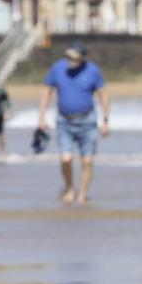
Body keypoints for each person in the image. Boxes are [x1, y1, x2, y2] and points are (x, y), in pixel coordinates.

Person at [37, 41, 110, 204]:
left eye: (74, 58)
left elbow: (103, 94)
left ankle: (82, 194)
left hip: (88, 121)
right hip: (64, 121)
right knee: (66, 159)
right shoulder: (57, 68)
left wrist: (105, 120)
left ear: (83, 58)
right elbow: (46, 91)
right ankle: (70, 188)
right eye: (68, 56)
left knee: (87, 160)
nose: (70, 60)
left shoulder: (93, 71)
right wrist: (41, 117)